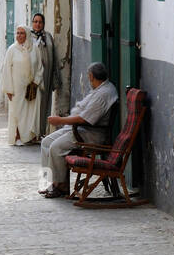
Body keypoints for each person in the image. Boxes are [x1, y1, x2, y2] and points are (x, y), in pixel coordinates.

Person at [38, 62, 118, 199]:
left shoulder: (103, 94)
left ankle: (60, 185)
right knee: (46, 142)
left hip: (89, 134)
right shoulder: (101, 88)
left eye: (88, 77)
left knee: (55, 147)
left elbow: (84, 119)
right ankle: (49, 182)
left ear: (91, 76)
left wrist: (60, 120)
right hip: (78, 129)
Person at [2, 25, 44, 145]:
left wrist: (36, 81)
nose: (19, 36)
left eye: (22, 33)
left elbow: (40, 67)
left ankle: (30, 136)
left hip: (31, 86)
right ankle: (17, 136)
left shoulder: (34, 49)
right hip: (17, 87)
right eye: (18, 33)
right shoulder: (12, 50)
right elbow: (6, 70)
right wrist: (8, 89)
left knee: (31, 112)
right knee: (16, 112)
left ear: (27, 35)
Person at [29, 12, 57, 141]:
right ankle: (30, 133)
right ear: (32, 23)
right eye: (35, 21)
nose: (37, 24)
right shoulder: (28, 37)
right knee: (32, 104)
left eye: (40, 22)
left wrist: (55, 78)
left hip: (46, 76)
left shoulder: (48, 37)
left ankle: (41, 132)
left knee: (44, 104)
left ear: (43, 24)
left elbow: (54, 57)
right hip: (32, 77)